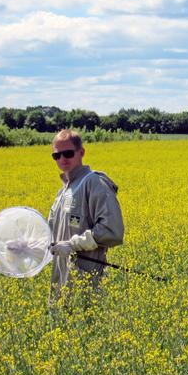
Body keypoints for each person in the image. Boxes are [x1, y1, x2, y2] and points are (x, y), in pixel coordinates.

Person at [48, 129, 124, 301]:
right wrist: (26, 246)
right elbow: (51, 236)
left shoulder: (94, 182)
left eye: (67, 153)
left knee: (85, 325)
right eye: (56, 155)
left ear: (81, 152)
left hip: (85, 282)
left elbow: (112, 231)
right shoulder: (63, 192)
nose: (62, 159)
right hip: (61, 282)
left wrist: (72, 245)